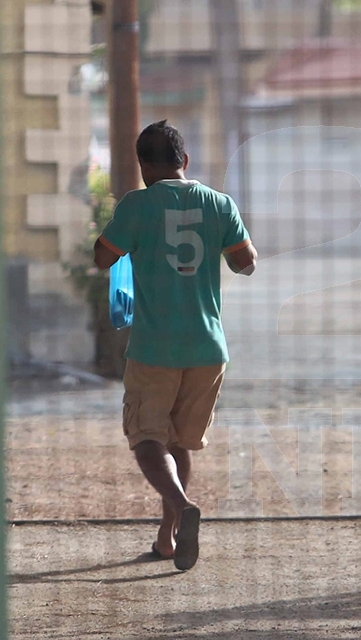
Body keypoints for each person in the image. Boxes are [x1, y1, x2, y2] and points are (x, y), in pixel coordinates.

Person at [93, 120, 257, 570]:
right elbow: (246, 263)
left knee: (147, 439)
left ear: (143, 166)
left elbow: (103, 256)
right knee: (178, 442)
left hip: (155, 349)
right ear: (184, 160)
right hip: (207, 350)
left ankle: (183, 508)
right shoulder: (220, 203)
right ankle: (168, 539)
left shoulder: (137, 205)